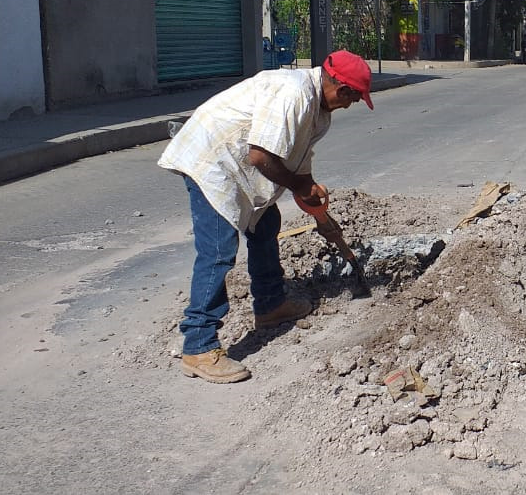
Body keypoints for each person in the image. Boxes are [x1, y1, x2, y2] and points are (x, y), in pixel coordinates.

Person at [158, 50, 373, 383]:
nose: (350, 105)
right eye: (353, 98)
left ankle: (271, 305)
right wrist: (297, 185)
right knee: (218, 251)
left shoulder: (319, 112)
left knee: (266, 225)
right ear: (341, 89)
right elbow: (260, 156)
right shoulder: (294, 94)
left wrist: (314, 202)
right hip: (212, 161)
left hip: (236, 165)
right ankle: (198, 345)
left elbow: (297, 162)